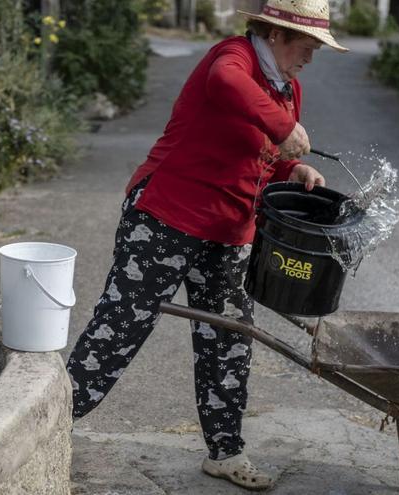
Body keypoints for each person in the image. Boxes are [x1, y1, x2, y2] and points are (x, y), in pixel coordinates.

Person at [66, 0, 348, 490]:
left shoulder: (289, 88)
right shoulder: (232, 58)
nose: (311, 58)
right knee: (119, 329)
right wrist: (284, 128)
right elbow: (227, 88)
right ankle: (44, 426)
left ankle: (225, 451)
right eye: (308, 46)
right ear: (278, 34)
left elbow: (265, 154)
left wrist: (293, 168)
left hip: (230, 231)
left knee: (229, 343)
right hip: (166, 216)